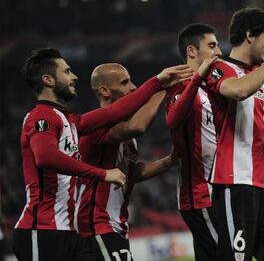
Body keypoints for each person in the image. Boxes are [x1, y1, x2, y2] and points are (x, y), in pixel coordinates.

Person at [13, 48, 190, 261]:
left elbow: (117, 113)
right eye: (67, 71)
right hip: (41, 228)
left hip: (67, 231)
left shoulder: (72, 121)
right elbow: (45, 157)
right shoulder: (41, 116)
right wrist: (102, 173)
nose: (74, 76)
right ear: (48, 79)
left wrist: (158, 82)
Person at [203, 7, 264, 260]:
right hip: (234, 185)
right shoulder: (221, 67)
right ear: (250, 35)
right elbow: (237, 91)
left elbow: (245, 127)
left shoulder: (256, 76)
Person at [75, 63, 182, 261]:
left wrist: (170, 161)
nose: (133, 87)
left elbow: (130, 174)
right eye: (125, 82)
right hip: (96, 225)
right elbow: (138, 126)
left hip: (115, 226)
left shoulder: (126, 136)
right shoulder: (96, 127)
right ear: (105, 91)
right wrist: (161, 89)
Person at [166, 23, 222, 261]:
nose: (218, 51)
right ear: (191, 51)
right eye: (211, 45)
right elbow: (173, 120)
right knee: (228, 255)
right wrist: (197, 78)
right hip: (200, 196)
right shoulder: (179, 86)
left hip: (216, 191)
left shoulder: (210, 89)